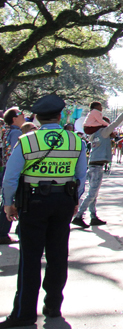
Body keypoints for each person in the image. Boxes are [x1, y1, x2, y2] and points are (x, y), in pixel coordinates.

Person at [0, 94, 87, 327]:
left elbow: (10, 177)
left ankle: (24, 313)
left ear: (37, 118)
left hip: (34, 202)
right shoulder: (76, 141)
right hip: (64, 202)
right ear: (60, 116)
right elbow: (81, 176)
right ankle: (53, 306)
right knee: (58, 255)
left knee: (30, 259)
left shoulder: (27, 141)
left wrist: (8, 203)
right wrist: (75, 200)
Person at [72, 99, 123, 229]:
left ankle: (93, 216)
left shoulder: (94, 134)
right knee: (93, 193)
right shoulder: (103, 132)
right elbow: (117, 122)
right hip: (97, 166)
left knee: (93, 193)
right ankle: (78, 215)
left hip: (92, 165)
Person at [0, 107, 26, 245]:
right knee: (12, 201)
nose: (23, 116)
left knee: (6, 199)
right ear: (14, 118)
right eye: (21, 114)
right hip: (13, 170)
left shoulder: (7, 131)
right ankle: (3, 232)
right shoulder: (16, 133)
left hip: (5, 169)